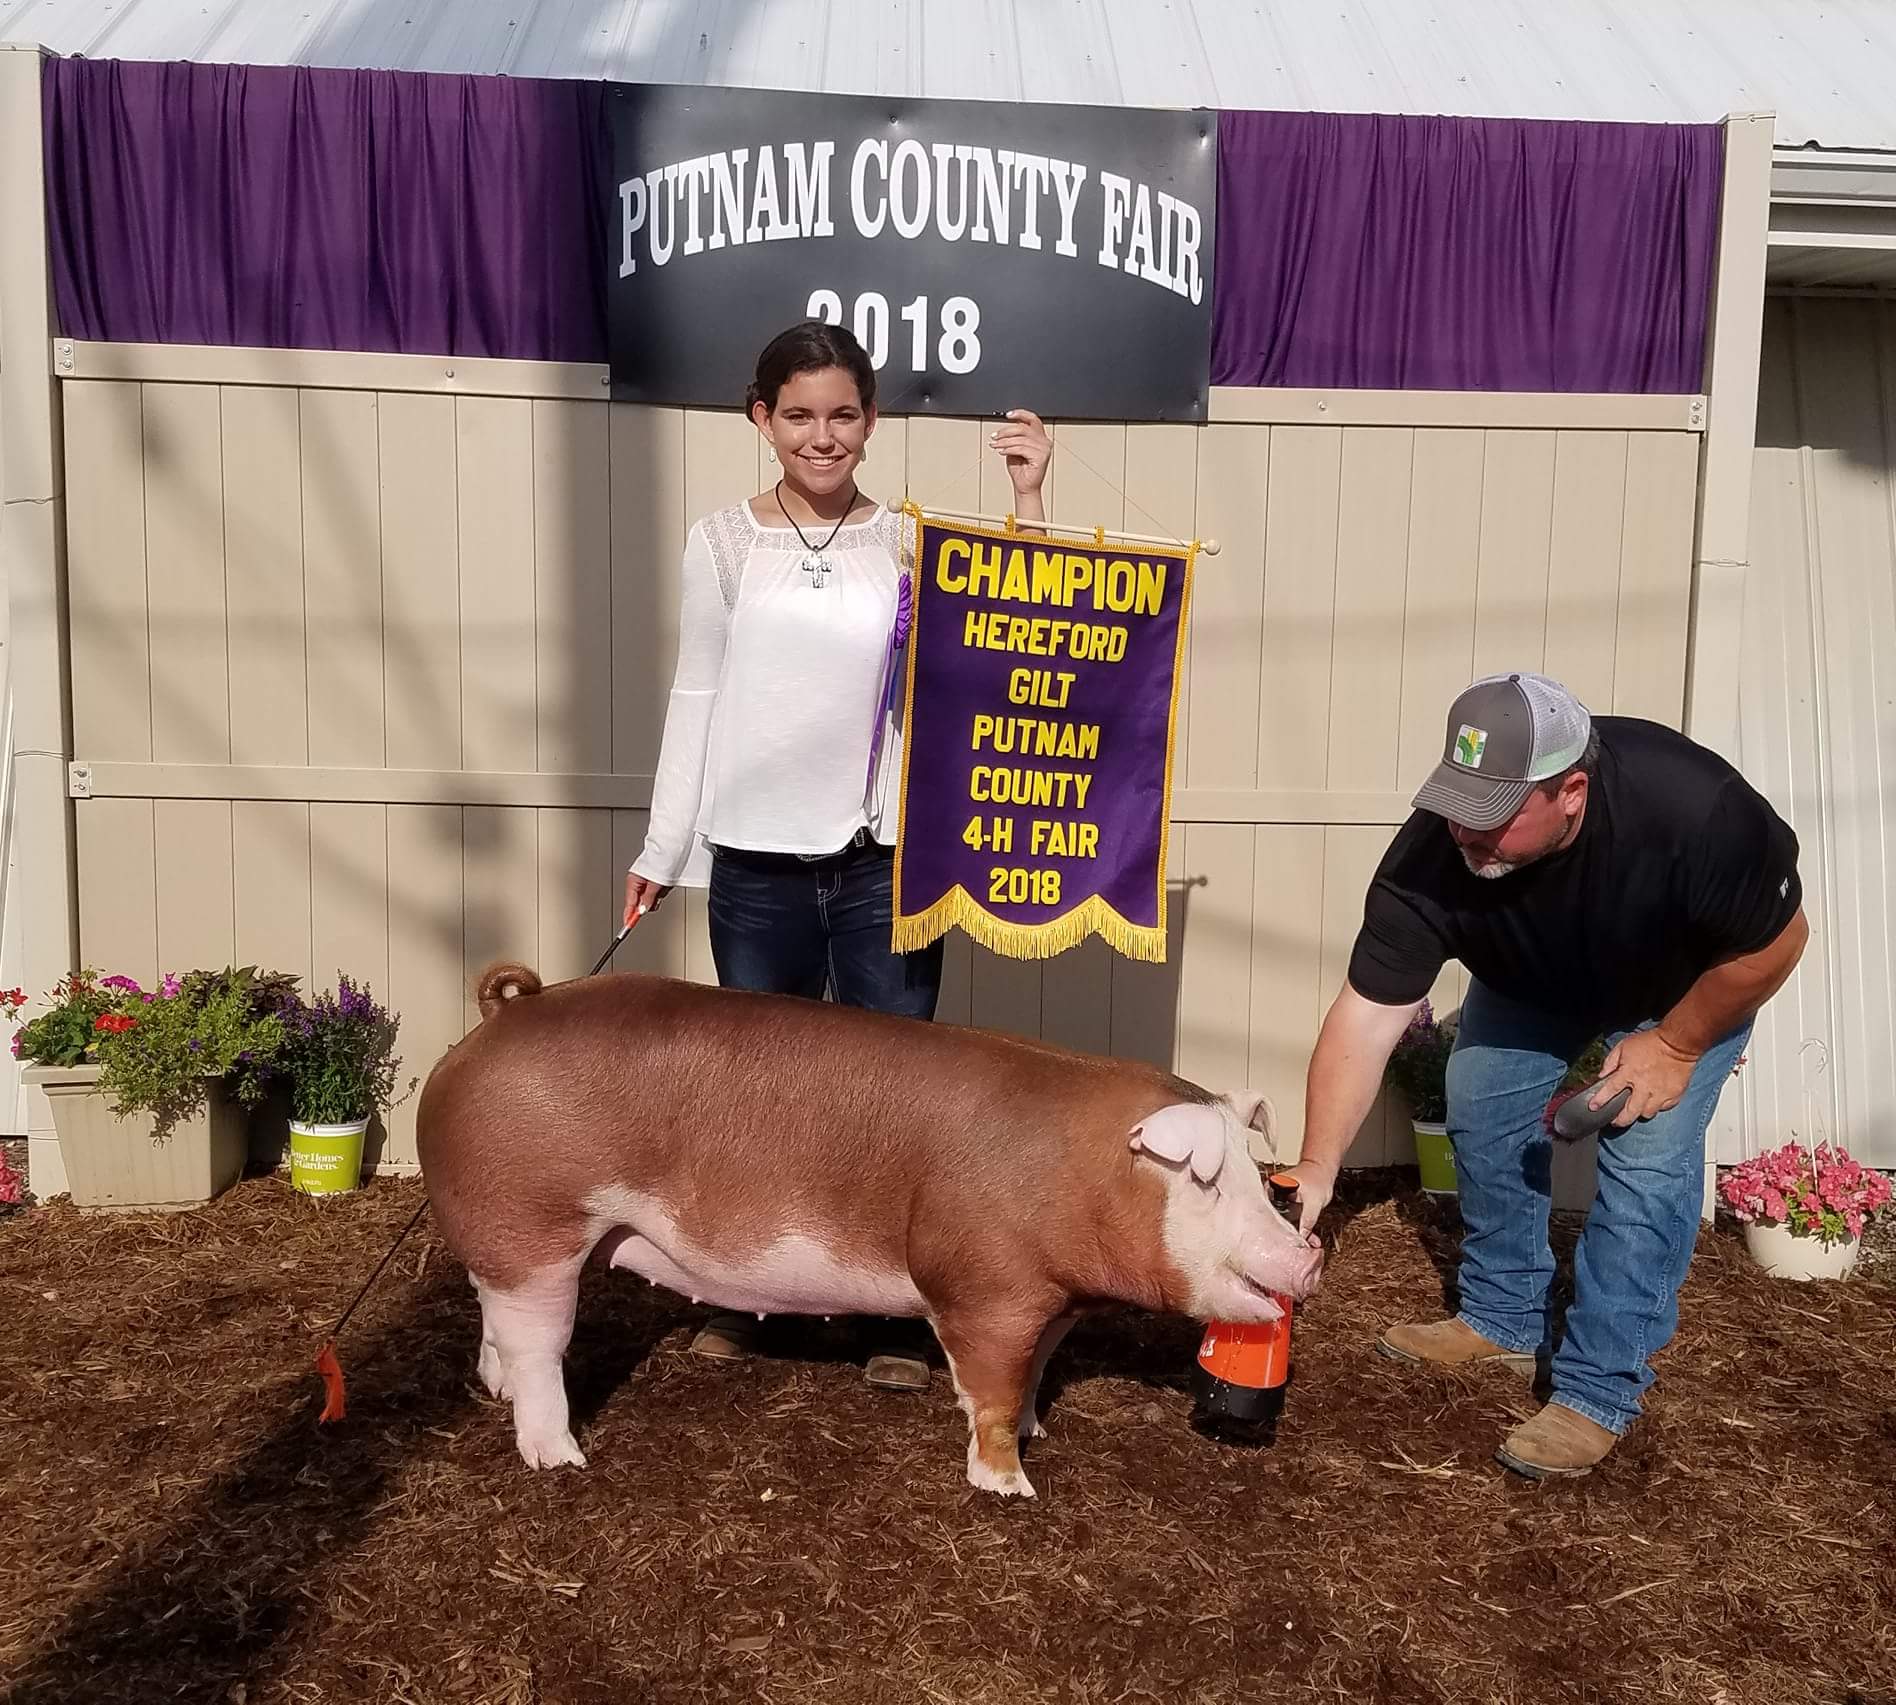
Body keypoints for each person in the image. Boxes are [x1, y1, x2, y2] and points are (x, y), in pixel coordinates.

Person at [622, 319, 1052, 1392]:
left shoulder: (909, 540)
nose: (824, 437)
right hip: (756, 866)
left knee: (895, 1096)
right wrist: (661, 845)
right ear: (761, 418)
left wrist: (1029, 502)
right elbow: (697, 698)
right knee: (756, 1094)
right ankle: (752, 1296)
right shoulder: (721, 543)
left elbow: (1016, 633)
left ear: (872, 421)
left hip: (884, 863)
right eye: (800, 415)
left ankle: (894, 1313)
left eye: (844, 415)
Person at [1278, 671, 1808, 1478]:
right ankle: (1501, 1313)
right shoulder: (1431, 857)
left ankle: (1598, 1389)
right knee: (1483, 1103)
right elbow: (1366, 1015)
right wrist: (1318, 1164)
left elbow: (1779, 940)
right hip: (1535, 979)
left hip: (1683, 994)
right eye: (1458, 802)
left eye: (1494, 814)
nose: (1465, 831)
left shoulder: (1693, 810)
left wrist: (1675, 1044)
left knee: (1648, 1162)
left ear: (1572, 790)